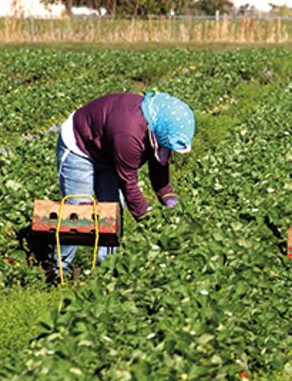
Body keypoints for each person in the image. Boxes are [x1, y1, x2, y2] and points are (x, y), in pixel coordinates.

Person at [53, 91, 194, 276]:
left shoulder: (158, 124)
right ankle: (59, 270)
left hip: (108, 149)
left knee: (113, 210)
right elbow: (128, 182)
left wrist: (169, 198)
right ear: (159, 131)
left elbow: (159, 168)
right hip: (80, 145)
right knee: (78, 211)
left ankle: (106, 268)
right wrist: (148, 220)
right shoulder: (130, 133)